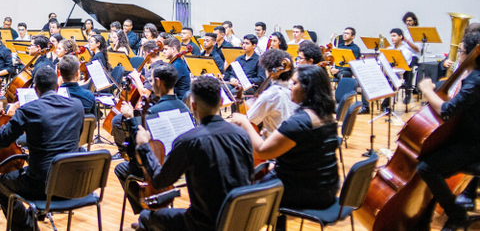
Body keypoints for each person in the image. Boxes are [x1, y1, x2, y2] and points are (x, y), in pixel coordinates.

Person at [134, 76, 253, 231]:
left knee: (145, 217)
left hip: (205, 224)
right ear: (222, 103)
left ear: (193, 106)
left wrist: (144, 146)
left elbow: (159, 181)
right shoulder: (242, 134)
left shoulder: (189, 140)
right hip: (241, 220)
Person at [230, 65, 339, 231]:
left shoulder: (298, 123)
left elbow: (261, 150)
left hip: (306, 192)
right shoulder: (326, 116)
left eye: (294, 83)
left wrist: (244, 122)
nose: (289, 86)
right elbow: (308, 154)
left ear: (307, 89)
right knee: (269, 171)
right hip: (327, 187)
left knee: (240, 196)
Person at [0, 66, 83, 231]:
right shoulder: (77, 106)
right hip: (73, 183)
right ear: (57, 87)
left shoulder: (27, 110)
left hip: (41, 186)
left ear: (35, 89)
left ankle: (27, 226)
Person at [416, 32, 480, 231]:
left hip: (473, 145)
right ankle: (433, 212)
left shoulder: (476, 80)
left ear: (471, 55)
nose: (458, 55)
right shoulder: (473, 75)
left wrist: (427, 90)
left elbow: (447, 111)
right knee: (435, 162)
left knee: (426, 167)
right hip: (468, 138)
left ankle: (457, 214)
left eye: (461, 51)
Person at [114, 63, 191, 214]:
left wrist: (130, 118)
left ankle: (147, 211)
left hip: (163, 168)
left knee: (121, 168)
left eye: (150, 79)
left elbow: (140, 144)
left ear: (158, 81)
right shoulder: (184, 107)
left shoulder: (153, 111)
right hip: (184, 167)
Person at [246, 49, 296, 136]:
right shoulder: (295, 90)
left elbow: (249, 121)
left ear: (269, 71)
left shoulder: (270, 95)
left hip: (275, 144)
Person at [391, 28, 417, 104]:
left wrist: (390, 71)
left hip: (398, 74)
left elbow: (402, 69)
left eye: (394, 36)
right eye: (391, 36)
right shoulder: (389, 49)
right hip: (390, 73)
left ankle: (386, 104)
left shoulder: (406, 52)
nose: (392, 38)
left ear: (401, 37)